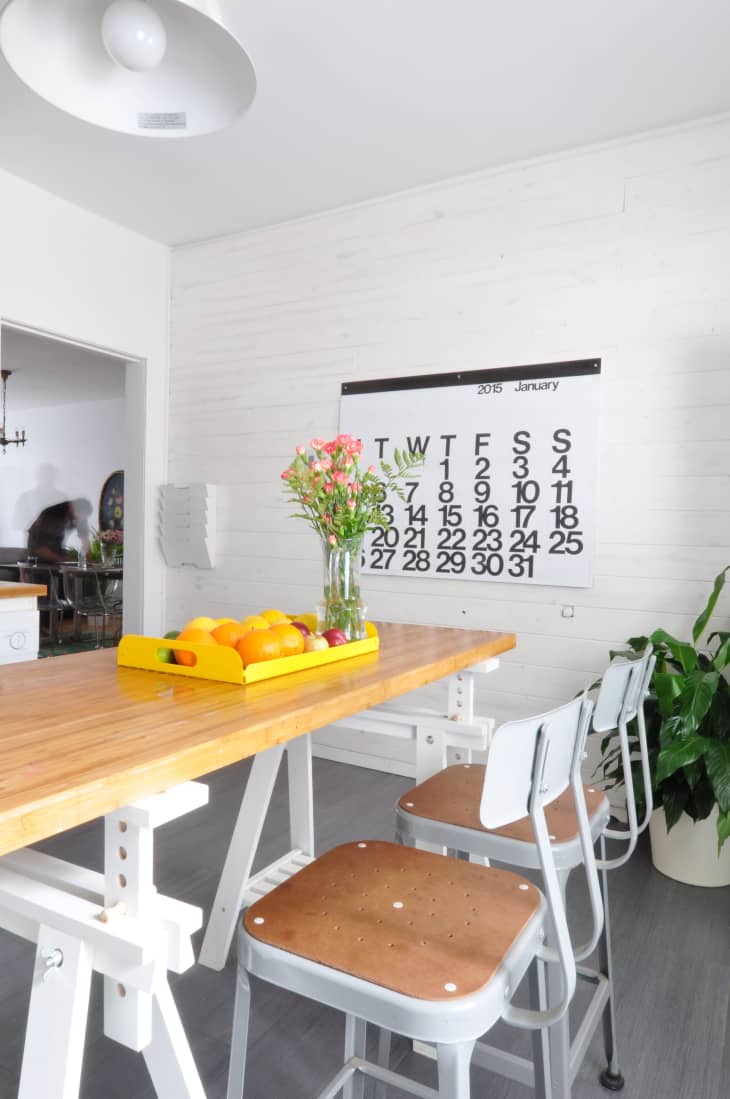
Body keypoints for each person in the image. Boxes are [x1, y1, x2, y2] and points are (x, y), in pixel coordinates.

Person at [27, 498, 92, 563]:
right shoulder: (50, 515)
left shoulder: (78, 515)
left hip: (56, 558)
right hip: (37, 561)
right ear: (71, 507)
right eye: (79, 515)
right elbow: (40, 549)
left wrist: (88, 560)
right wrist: (63, 559)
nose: (78, 520)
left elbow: (85, 540)